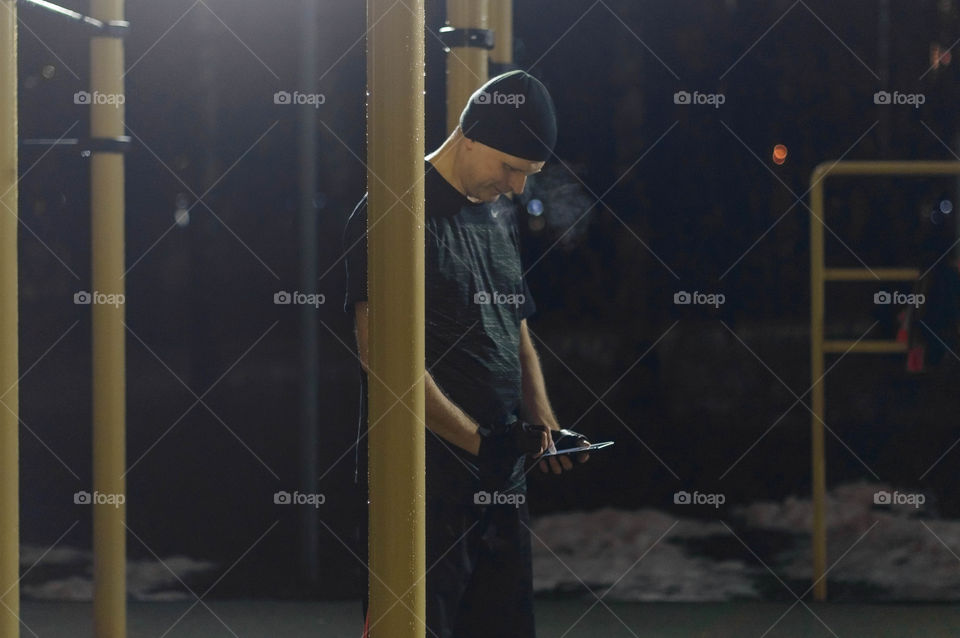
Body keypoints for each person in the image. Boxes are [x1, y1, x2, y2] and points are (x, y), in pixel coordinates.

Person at [342, 70, 591, 638]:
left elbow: (514, 325)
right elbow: (384, 363)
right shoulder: (394, 211)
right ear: (470, 134)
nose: (517, 188)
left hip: (499, 481)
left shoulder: (497, 215)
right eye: (510, 168)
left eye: (529, 177)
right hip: (420, 491)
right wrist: (482, 442)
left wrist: (541, 420)